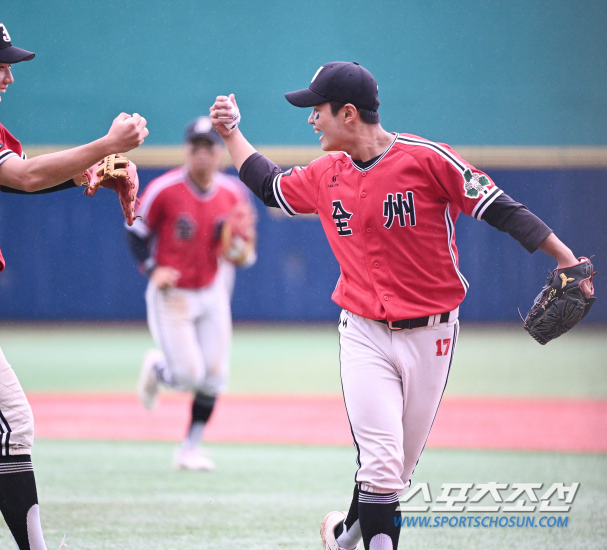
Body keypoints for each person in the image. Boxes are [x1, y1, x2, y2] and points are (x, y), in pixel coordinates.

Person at [209, 62, 594, 550]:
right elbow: (269, 185)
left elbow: (500, 208)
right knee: (382, 463)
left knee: (392, 475)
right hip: (364, 332)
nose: (311, 120)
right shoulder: (325, 174)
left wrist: (565, 258)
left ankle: (341, 537)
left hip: (432, 336)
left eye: (317, 110)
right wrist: (231, 133)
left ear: (348, 114)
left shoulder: (429, 160)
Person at [0, 18, 147, 549]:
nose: (10, 77)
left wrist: (94, 171)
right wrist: (107, 143)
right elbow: (27, 176)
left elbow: (22, 180)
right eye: (1, 66)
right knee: (12, 424)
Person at [128, 116, 256, 471]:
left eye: (208, 148)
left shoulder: (233, 192)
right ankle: (157, 368)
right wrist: (153, 269)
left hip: (212, 289)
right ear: (186, 151)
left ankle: (189, 449)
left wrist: (240, 250)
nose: (202, 155)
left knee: (215, 375)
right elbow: (136, 234)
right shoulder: (165, 189)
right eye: (195, 148)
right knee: (188, 376)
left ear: (220, 153)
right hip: (174, 294)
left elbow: (242, 246)